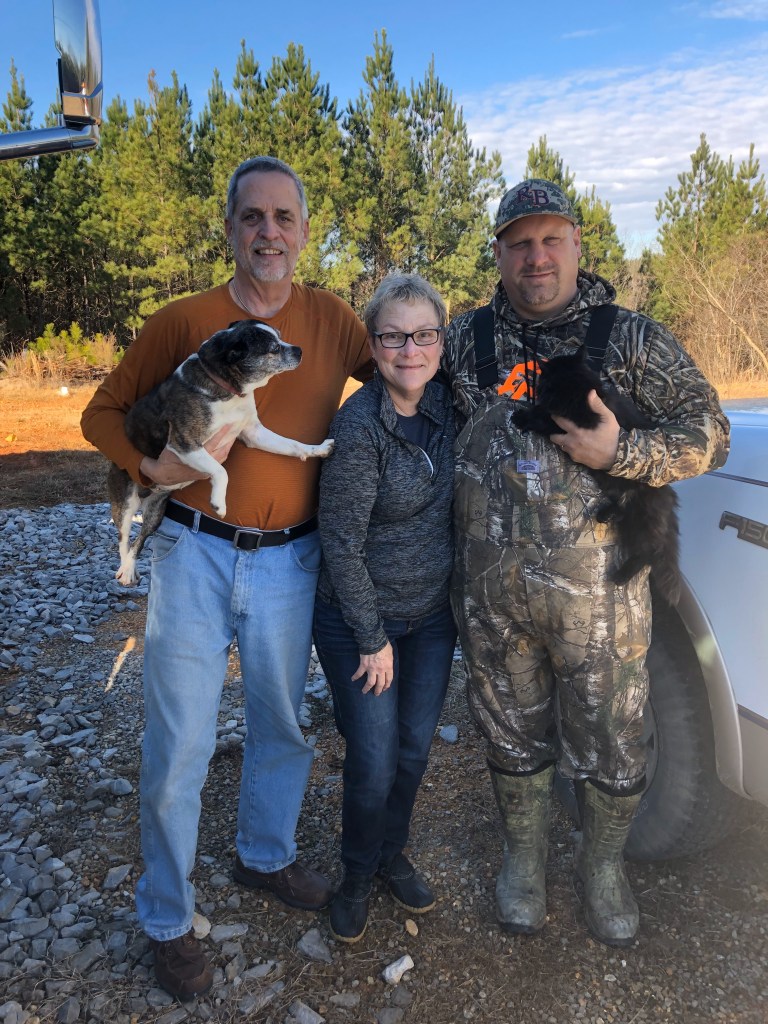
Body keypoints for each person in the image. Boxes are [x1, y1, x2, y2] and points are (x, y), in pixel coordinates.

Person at [81, 157, 371, 999]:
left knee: (282, 723)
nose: (268, 233)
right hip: (195, 551)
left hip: (294, 559)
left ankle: (264, 856)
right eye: (252, 217)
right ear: (230, 228)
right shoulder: (183, 323)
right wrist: (151, 468)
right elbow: (100, 413)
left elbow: (402, 368)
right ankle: (168, 918)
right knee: (180, 743)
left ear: (304, 230)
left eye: (284, 217)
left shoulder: (333, 320)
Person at [442, 178, 730, 947]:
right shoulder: (463, 341)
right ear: (498, 253)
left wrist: (622, 451)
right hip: (494, 600)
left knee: (613, 737)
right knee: (509, 733)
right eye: (519, 243)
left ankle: (603, 870)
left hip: (602, 601)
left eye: (550, 240)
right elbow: (399, 393)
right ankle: (524, 863)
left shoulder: (629, 339)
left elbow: (711, 433)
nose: (535, 257)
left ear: (576, 245)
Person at [313, 274, 457, 943]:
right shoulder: (359, 424)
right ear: (372, 346)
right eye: (393, 337)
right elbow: (340, 541)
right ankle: (356, 871)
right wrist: (372, 639)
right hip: (360, 621)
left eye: (423, 335)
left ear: (440, 342)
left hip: (430, 619)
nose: (409, 350)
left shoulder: (449, 408)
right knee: (373, 759)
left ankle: (391, 854)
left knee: (413, 750)